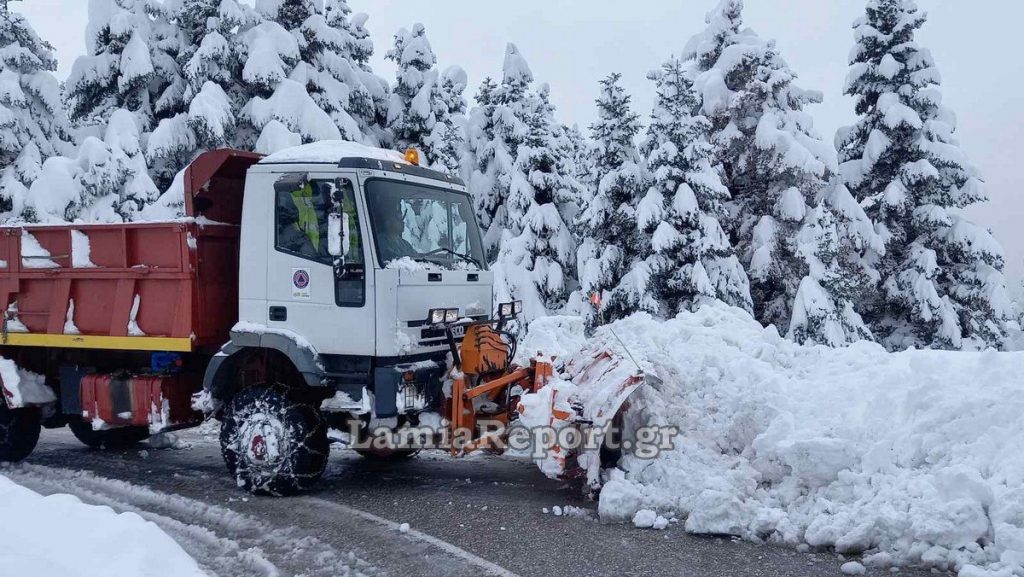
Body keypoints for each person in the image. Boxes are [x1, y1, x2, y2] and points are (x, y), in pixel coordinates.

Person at [374, 197, 417, 263]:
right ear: (388, 222)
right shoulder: (379, 242)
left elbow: (416, 257)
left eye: (402, 219)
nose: (403, 222)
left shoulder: (405, 244)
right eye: (399, 219)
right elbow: (393, 258)